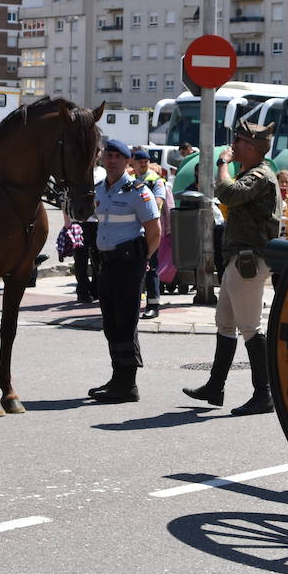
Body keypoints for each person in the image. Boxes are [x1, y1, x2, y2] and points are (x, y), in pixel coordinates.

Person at [183, 120, 281, 415]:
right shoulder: (253, 173)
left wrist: (222, 165)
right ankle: (216, 385)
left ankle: (264, 394)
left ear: (250, 148)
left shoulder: (260, 175)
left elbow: (228, 194)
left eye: (238, 142)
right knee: (225, 321)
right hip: (238, 258)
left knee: (250, 328)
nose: (233, 146)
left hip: (249, 260)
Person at [89, 138, 161, 403]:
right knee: (110, 323)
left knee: (126, 323)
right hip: (107, 263)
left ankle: (128, 384)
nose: (111, 160)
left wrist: (143, 260)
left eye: (117, 156)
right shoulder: (99, 190)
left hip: (129, 265)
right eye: (107, 155)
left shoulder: (138, 191)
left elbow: (154, 232)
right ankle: (117, 377)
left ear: (127, 161)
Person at [131, 148, 168, 319]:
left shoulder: (155, 180)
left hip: (150, 230)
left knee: (151, 267)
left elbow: (159, 202)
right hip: (133, 231)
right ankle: (133, 304)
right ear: (134, 162)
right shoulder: (131, 180)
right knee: (135, 268)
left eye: (145, 161)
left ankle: (153, 305)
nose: (143, 165)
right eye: (140, 162)